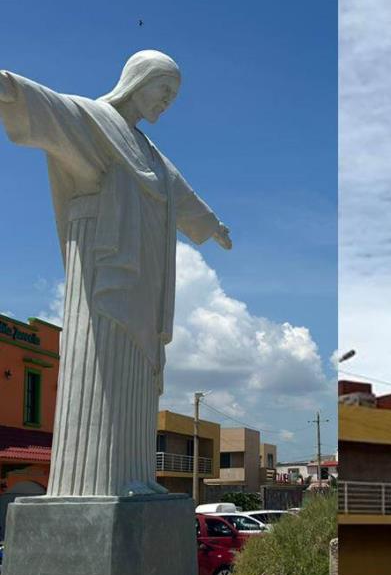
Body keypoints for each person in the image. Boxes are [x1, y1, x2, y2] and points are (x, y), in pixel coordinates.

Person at [0, 51, 231, 497]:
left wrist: (211, 226)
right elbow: (48, 106)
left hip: (143, 279)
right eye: (163, 90)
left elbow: (184, 198)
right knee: (101, 367)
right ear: (138, 80)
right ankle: (94, 481)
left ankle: (135, 476)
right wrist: (9, 87)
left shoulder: (151, 154)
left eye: (173, 96)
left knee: (138, 380)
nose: (166, 102)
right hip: (104, 269)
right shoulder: (93, 119)